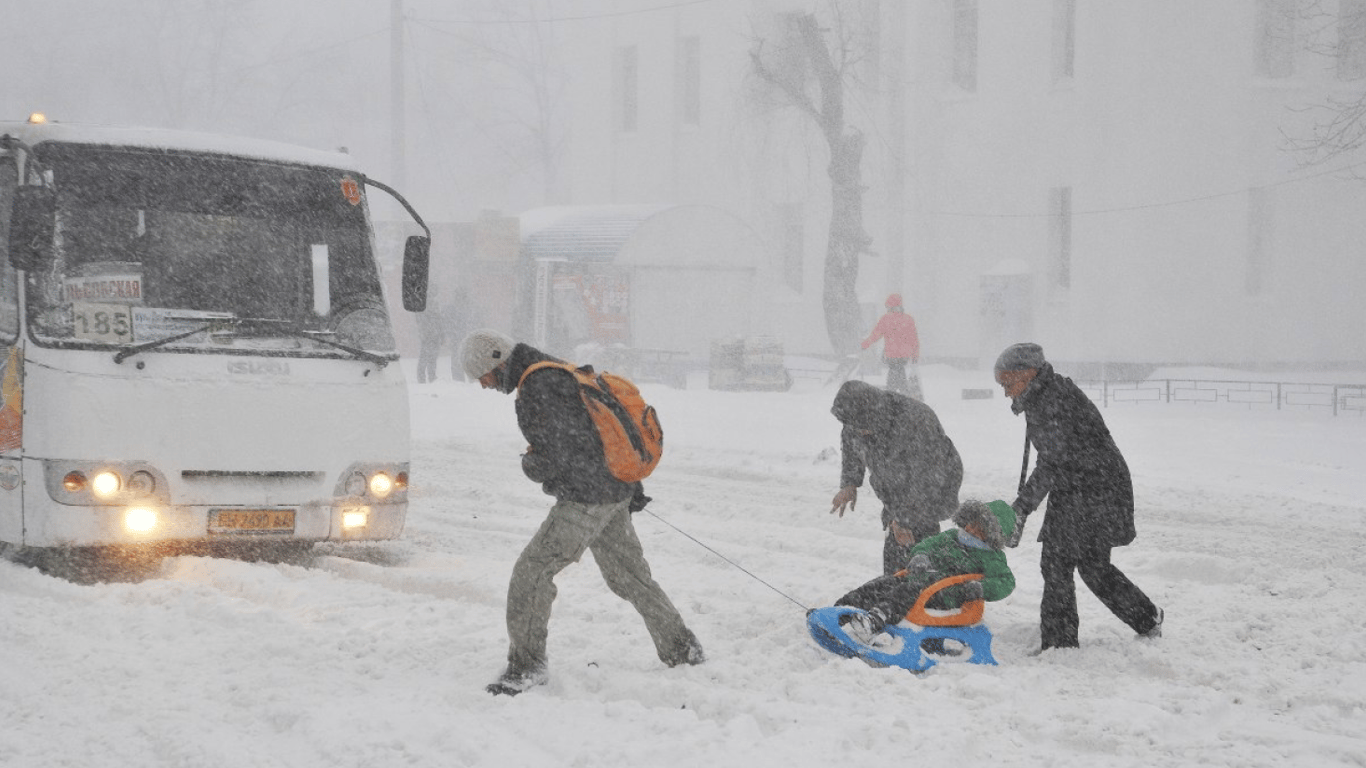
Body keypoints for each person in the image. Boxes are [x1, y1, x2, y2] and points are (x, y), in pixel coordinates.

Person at [461, 329, 704, 696]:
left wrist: (531, 465)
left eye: (483, 376)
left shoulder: (537, 386)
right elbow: (600, 434)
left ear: (496, 361)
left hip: (587, 500)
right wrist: (627, 486)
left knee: (531, 574)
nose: (483, 385)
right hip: (611, 494)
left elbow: (562, 450)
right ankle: (681, 648)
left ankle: (526, 669)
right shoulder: (559, 370)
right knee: (630, 577)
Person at [993, 342, 1164, 651]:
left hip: (1094, 487)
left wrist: (1022, 507)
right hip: (1086, 484)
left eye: (1007, 383)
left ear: (1027, 373)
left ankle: (1059, 643)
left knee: (1058, 562)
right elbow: (1054, 458)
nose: (1005, 391)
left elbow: (1051, 462)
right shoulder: (1043, 394)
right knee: (1092, 566)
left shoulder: (1051, 401)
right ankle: (1147, 618)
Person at [829, 379, 964, 576]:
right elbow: (851, 444)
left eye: (860, 426)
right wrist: (850, 483)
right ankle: (899, 587)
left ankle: (920, 589)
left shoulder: (915, 420)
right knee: (898, 542)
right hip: (897, 485)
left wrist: (904, 519)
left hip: (936, 484)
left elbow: (926, 477)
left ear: (872, 415)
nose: (857, 431)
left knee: (916, 538)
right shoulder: (858, 417)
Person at [833, 500, 1016, 644]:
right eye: (971, 523)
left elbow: (1006, 582)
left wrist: (980, 588)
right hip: (923, 580)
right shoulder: (953, 536)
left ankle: (876, 620)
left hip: (947, 595)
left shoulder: (991, 557)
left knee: (906, 592)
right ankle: (840, 611)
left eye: (979, 529)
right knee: (883, 584)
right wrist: (920, 556)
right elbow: (928, 544)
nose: (970, 530)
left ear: (991, 536)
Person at [861, 293, 922, 399]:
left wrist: (864, 344)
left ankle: (892, 399)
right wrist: (915, 356)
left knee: (894, 378)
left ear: (890, 306)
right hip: (904, 356)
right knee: (899, 375)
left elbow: (875, 335)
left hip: (891, 355)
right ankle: (901, 397)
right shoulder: (908, 320)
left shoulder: (886, 319)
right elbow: (914, 340)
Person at [415, 291, 444, 383]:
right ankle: (425, 377)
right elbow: (420, 320)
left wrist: (441, 334)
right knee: (427, 357)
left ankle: (428, 376)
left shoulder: (433, 305)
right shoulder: (424, 306)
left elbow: (439, 321)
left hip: (431, 334)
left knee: (431, 357)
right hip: (428, 334)